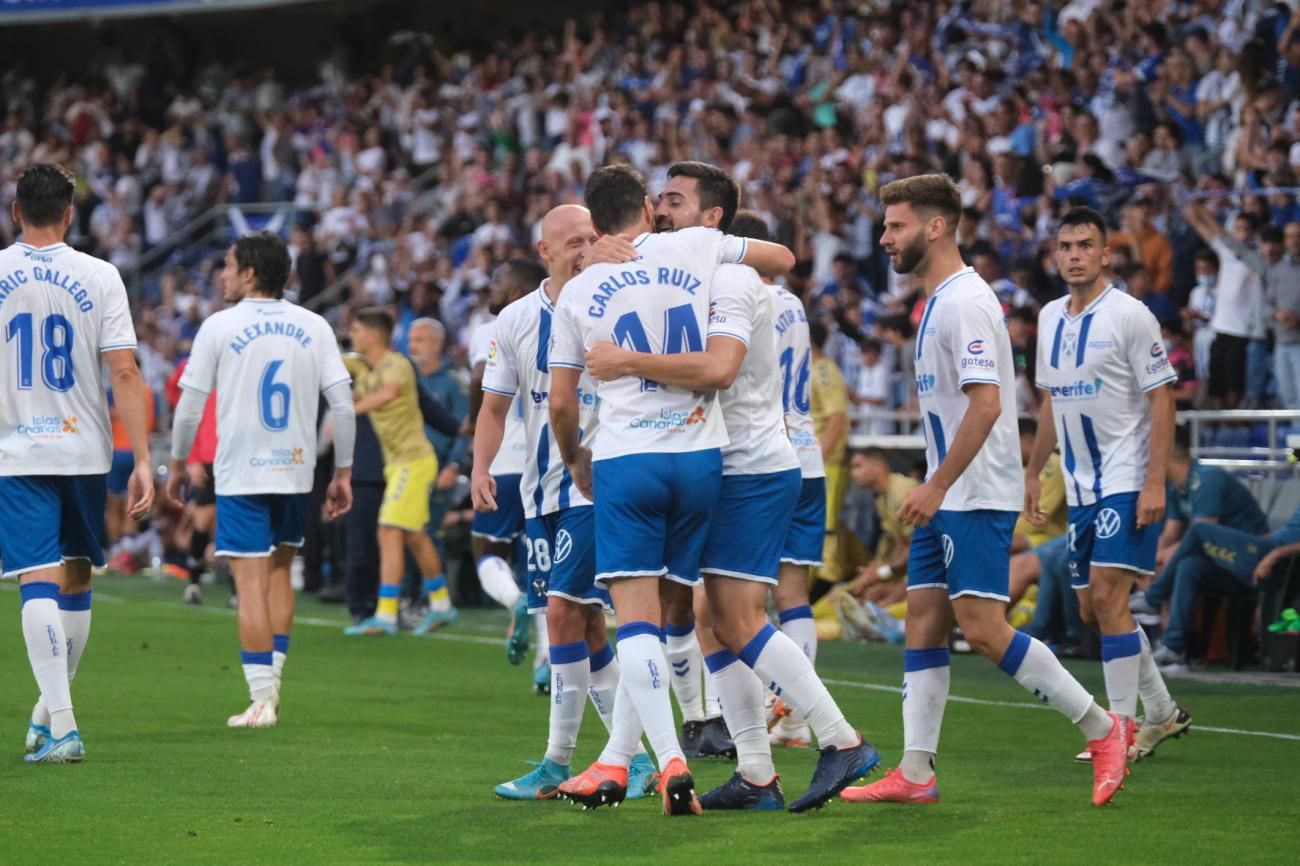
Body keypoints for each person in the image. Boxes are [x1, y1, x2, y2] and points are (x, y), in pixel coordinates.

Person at [585, 172, 879, 813]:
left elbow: (717, 368)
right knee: (711, 623)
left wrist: (625, 360)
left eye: (675, 201)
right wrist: (599, 250)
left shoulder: (732, 278)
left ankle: (840, 738)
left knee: (739, 619)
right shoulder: (682, 271)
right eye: (657, 201)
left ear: (713, 219)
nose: (661, 212)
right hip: (723, 463)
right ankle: (755, 772)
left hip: (752, 467)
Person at [841, 175, 1126, 809]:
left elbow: (989, 405)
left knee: (985, 629)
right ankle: (916, 772)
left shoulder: (966, 301)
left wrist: (936, 484)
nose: (884, 238)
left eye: (896, 226)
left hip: (970, 494)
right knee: (922, 619)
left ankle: (1106, 730)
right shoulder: (940, 300)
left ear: (935, 227)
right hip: (948, 492)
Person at [547, 164, 810, 816]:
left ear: (593, 221)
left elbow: (559, 404)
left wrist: (575, 457)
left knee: (633, 620)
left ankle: (668, 760)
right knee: (683, 613)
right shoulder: (693, 248)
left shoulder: (580, 289)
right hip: (701, 458)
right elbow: (782, 256)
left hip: (629, 457)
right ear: (644, 206)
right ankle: (627, 754)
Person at [473, 205, 655, 802]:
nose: (584, 249)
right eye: (573, 242)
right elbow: (496, 407)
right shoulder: (515, 320)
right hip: (539, 489)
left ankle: (557, 762)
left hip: (596, 482)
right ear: (544, 250)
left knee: (560, 616)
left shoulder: (614, 299)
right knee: (589, 626)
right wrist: (479, 466)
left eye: (591, 239)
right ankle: (633, 762)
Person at [168, 231, 355, 728]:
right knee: (279, 573)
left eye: (228, 266)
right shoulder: (314, 325)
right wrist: (342, 472)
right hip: (296, 468)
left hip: (242, 472)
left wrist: (178, 460)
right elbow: (342, 403)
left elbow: (190, 406)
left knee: (248, 581)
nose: (222, 276)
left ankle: (260, 699)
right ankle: (272, 689)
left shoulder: (219, 326)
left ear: (249, 271)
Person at [1025, 206, 1191, 764]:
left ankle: (1116, 730)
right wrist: (1032, 470)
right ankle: (1162, 713)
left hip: (1125, 477)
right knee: (1093, 610)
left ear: (1105, 254)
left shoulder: (1131, 315)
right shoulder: (1049, 317)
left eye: (1084, 245)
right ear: (1056, 254)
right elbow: (1051, 399)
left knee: (1107, 597)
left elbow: (1162, 396)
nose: (1074, 254)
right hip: (1078, 487)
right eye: (1065, 245)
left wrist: (1153, 483)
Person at [2, 163, 155, 763]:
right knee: (78, 576)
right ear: (70, 213)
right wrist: (142, 457)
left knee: (35, 578)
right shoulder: (101, 275)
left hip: (18, 450)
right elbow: (124, 371)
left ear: (17, 210)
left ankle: (60, 723)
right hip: (86, 450)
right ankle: (48, 716)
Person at [343, 308, 456, 636]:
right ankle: (442, 606)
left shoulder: (398, 365)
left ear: (374, 335)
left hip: (414, 462)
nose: (353, 337)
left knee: (388, 531)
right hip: (397, 465)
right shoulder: (365, 369)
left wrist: (349, 410)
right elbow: (332, 361)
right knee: (415, 537)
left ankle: (387, 614)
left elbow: (388, 394)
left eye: (357, 330)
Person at [467, 260, 546, 676]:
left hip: (501, 457)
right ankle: (547, 663)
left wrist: (470, 426)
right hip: (543, 458)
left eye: (498, 281)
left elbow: (482, 376)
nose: (490, 287)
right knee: (545, 565)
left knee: (487, 550)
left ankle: (513, 599)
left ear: (517, 292)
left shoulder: (492, 328)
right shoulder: (562, 317)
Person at [1142, 430, 1271, 670]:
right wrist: (1149, 563)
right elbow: (1170, 535)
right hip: (1221, 563)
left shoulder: (1206, 478)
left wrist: (1158, 561)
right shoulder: (1176, 488)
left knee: (1198, 534)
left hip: (1252, 560)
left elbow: (1201, 535)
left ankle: (1153, 598)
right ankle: (1174, 649)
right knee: (1187, 566)